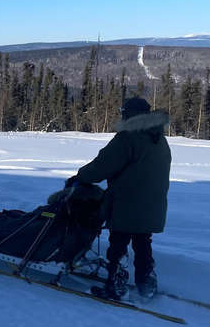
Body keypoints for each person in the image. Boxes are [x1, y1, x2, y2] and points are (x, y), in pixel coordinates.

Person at [65, 96, 171, 300]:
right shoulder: (158, 137)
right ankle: (146, 284)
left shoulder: (128, 137)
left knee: (119, 242)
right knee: (142, 240)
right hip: (153, 203)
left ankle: (117, 286)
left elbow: (103, 165)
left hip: (126, 201)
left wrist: (80, 177)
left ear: (128, 114)